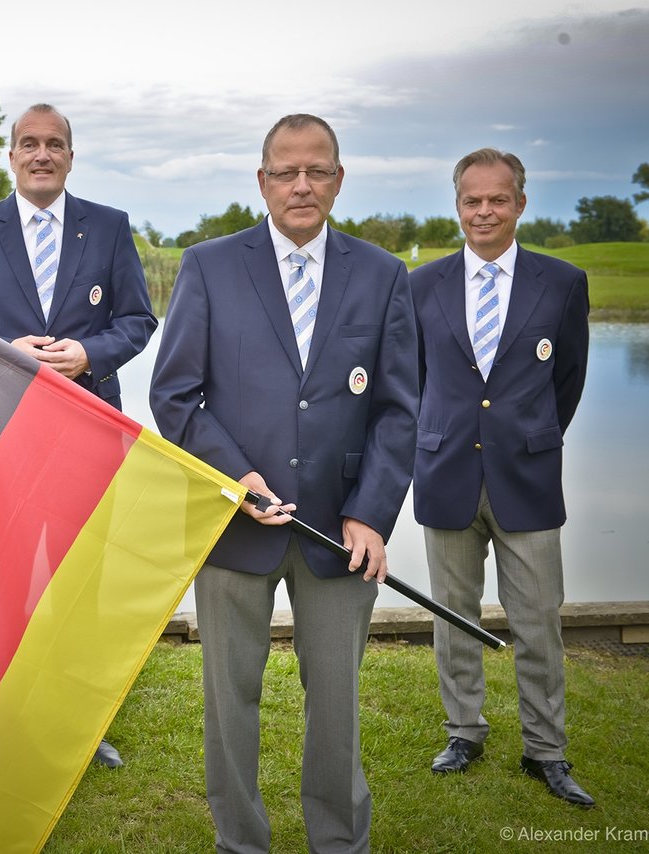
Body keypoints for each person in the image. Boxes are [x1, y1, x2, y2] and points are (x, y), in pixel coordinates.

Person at [149, 114, 418, 852]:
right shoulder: (208, 265)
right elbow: (175, 395)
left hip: (341, 530)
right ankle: (241, 840)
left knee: (336, 701)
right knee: (229, 702)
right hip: (233, 524)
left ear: (338, 178)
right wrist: (237, 476)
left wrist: (374, 514)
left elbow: (400, 409)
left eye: (318, 170)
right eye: (286, 171)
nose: (302, 184)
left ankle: (339, 840)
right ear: (262, 180)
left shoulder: (383, 274)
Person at [0, 104, 156, 767]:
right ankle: (6, 717)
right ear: (10, 156)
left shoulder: (110, 227)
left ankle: (79, 727)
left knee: (80, 587)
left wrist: (88, 355)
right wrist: (6, 350)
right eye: (28, 144)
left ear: (69, 155)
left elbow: (137, 320)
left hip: (88, 434)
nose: (41, 154)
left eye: (53, 144)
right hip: (4, 435)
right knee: (6, 582)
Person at [413, 149, 592, 806]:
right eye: (471, 200)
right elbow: (416, 383)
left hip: (529, 477)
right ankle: (464, 730)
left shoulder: (563, 282)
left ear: (520, 202)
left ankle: (546, 750)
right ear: (456, 203)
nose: (483, 211)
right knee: (451, 614)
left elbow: (565, 380)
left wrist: (531, 435)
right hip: (445, 469)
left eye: (497, 199)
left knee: (539, 619)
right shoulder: (421, 286)